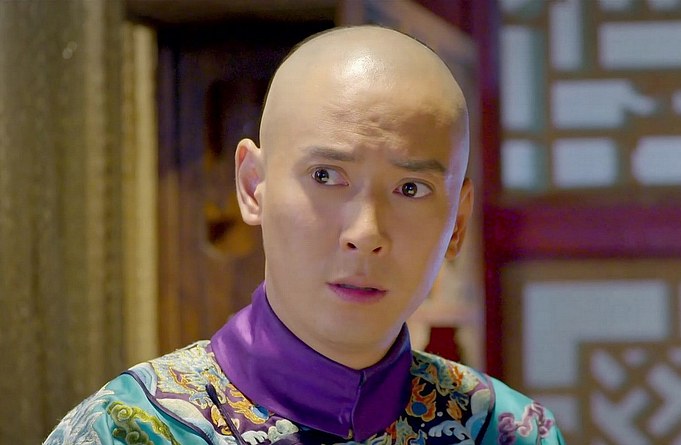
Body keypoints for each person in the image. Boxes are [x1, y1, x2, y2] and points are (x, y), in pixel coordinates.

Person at [45, 25, 565, 445]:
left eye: (410, 188)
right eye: (325, 176)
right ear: (254, 187)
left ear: (458, 221)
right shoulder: (131, 429)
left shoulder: (509, 432)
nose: (366, 233)